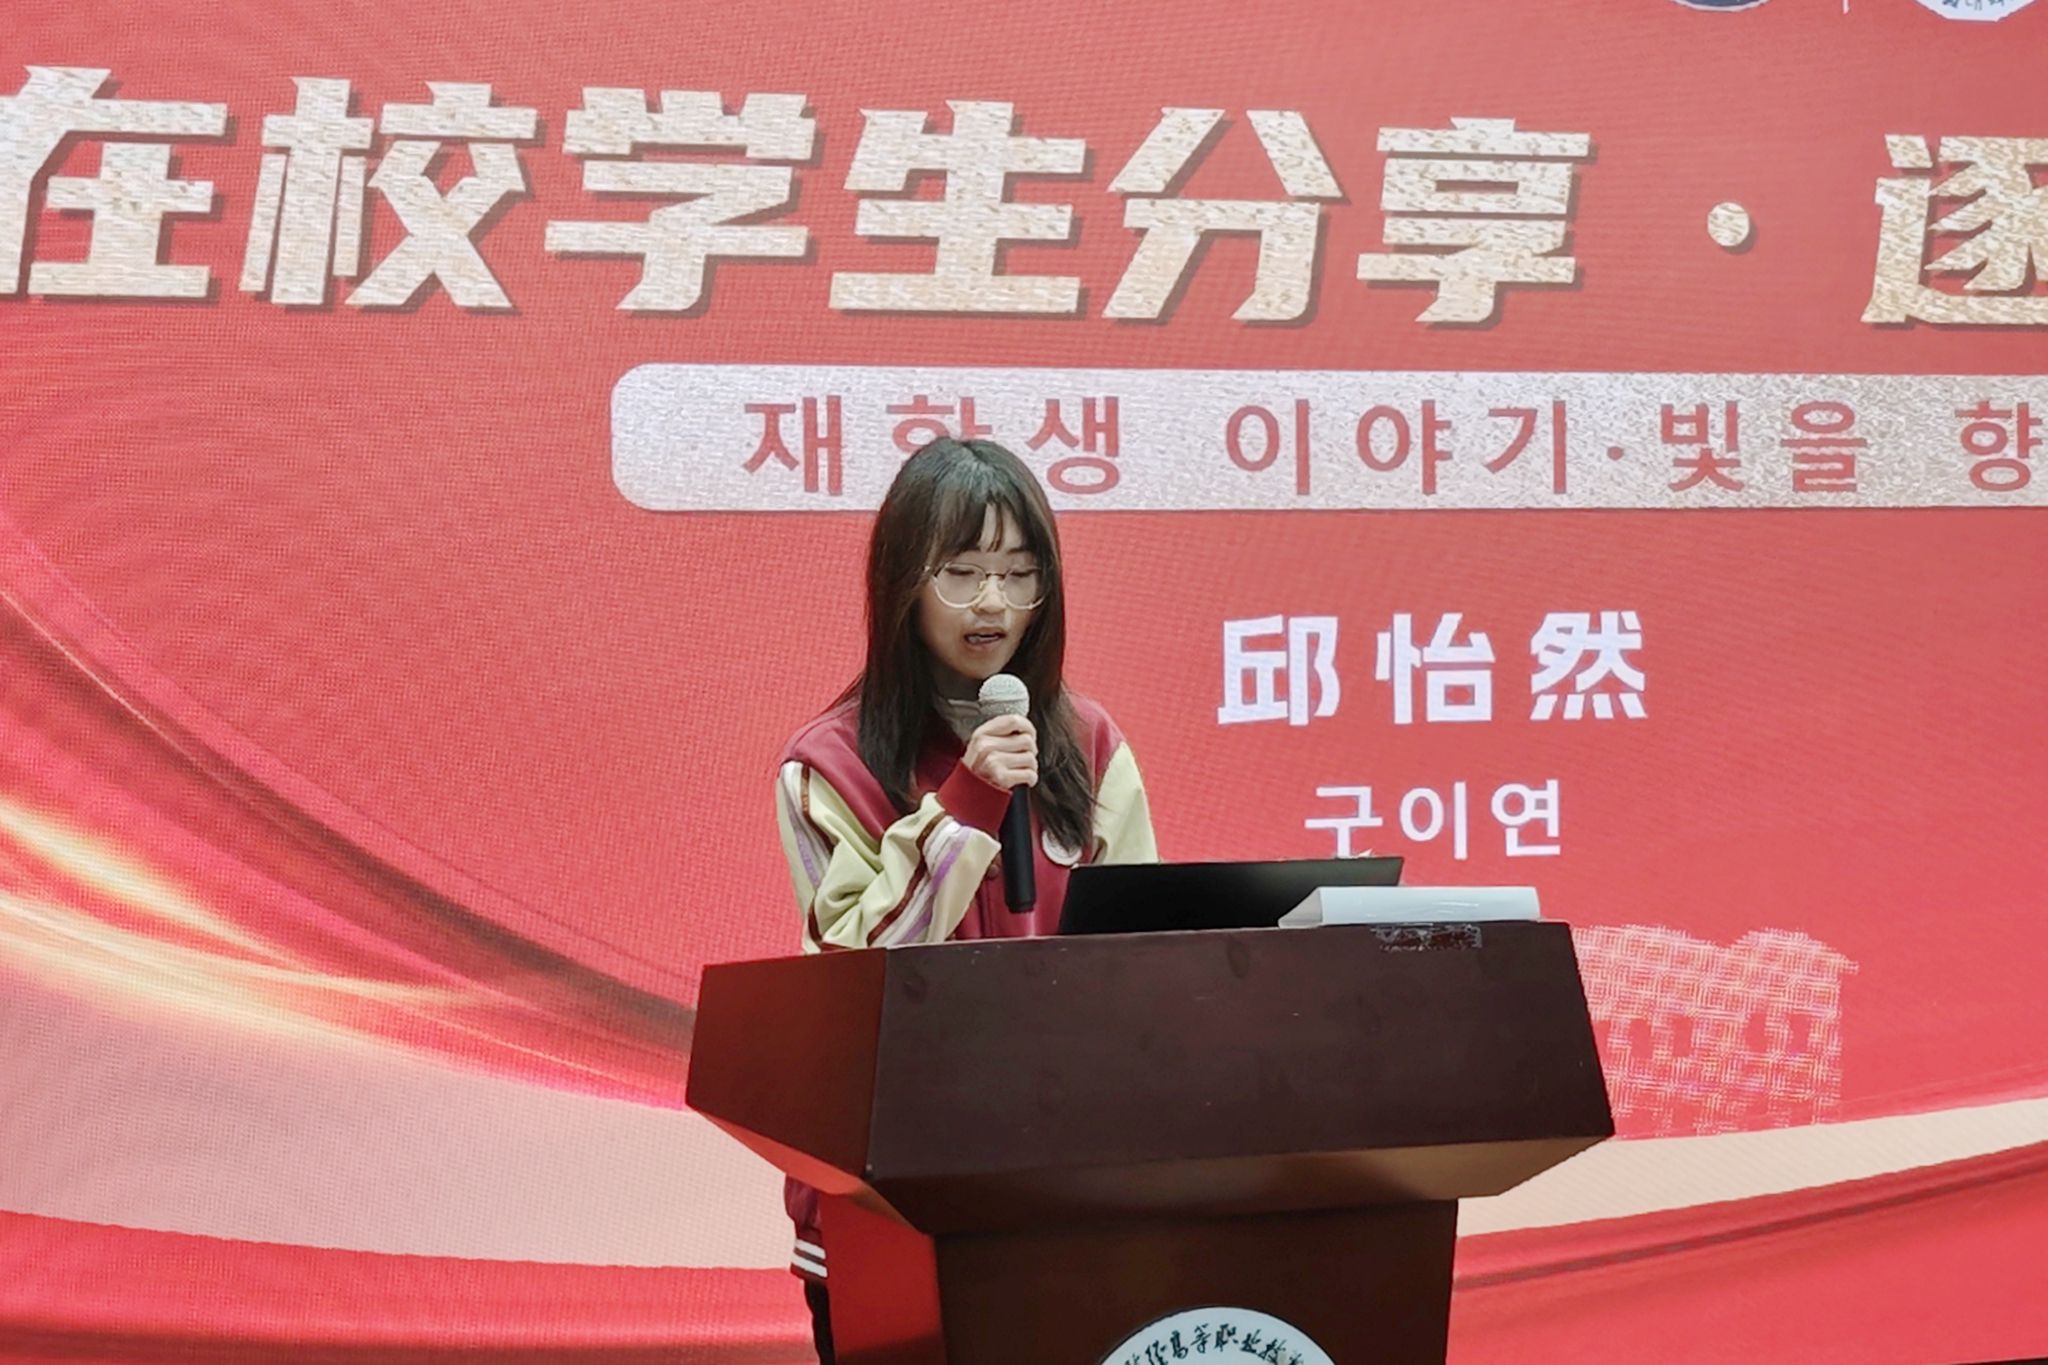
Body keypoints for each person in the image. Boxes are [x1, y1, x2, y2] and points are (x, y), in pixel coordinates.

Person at [771, 436, 1159, 1360]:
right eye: (964, 573)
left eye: (1020, 574)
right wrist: (967, 805)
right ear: (904, 582)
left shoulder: (1090, 743)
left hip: (1061, 1186)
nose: (993, 602)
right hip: (891, 1196)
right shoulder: (827, 764)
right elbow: (858, 963)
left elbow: (1145, 944)